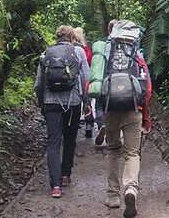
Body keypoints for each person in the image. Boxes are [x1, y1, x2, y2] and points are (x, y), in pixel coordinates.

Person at [102, 20, 152, 218]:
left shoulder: (105, 53)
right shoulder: (137, 55)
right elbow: (147, 87)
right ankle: (130, 189)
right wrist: (144, 114)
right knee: (132, 153)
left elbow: (94, 83)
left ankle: (113, 196)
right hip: (133, 109)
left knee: (114, 150)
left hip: (110, 109)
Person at [34, 25, 91, 198]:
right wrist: (87, 102)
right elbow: (86, 79)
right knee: (70, 138)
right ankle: (66, 175)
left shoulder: (46, 54)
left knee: (53, 142)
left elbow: (38, 84)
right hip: (73, 103)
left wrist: (42, 104)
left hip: (51, 103)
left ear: (57, 37)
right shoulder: (78, 52)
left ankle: (56, 186)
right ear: (72, 37)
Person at [73, 27, 95, 137]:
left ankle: (73, 125)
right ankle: (88, 124)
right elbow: (91, 61)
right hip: (87, 75)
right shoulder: (87, 47)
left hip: (75, 79)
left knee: (75, 103)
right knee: (87, 102)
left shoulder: (71, 48)